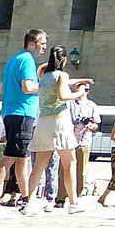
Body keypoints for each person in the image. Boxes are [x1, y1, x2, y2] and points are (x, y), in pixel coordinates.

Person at [0, 29, 45, 214]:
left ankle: (25, 200)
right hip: (22, 113)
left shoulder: (13, 60)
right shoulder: (28, 60)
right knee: (9, 158)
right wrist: (46, 87)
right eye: (42, 43)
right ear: (32, 43)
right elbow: (27, 87)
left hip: (12, 112)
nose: (44, 47)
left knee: (21, 158)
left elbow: (2, 87)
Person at [29, 47, 91, 213]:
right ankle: (73, 203)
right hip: (60, 121)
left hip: (44, 122)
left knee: (39, 165)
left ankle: (28, 202)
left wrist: (78, 80)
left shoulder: (43, 77)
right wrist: (79, 92)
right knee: (69, 163)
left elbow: (55, 83)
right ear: (64, 60)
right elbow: (63, 94)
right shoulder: (62, 75)